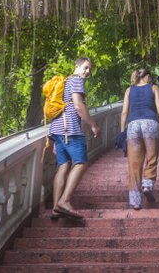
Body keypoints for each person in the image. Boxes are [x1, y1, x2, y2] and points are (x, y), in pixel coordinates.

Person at [48, 57, 101, 219]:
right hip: (70, 129)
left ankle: (56, 208)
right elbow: (78, 106)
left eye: (89, 69)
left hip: (57, 129)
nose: (87, 72)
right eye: (85, 67)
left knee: (63, 166)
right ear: (76, 67)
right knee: (81, 163)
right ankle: (65, 200)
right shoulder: (77, 80)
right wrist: (92, 124)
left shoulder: (65, 81)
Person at [120, 68, 159, 210]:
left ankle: (135, 201)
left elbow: (124, 112)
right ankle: (147, 184)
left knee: (134, 163)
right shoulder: (153, 88)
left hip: (133, 125)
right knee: (152, 157)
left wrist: (122, 132)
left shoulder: (129, 90)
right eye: (150, 77)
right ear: (147, 76)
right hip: (150, 123)